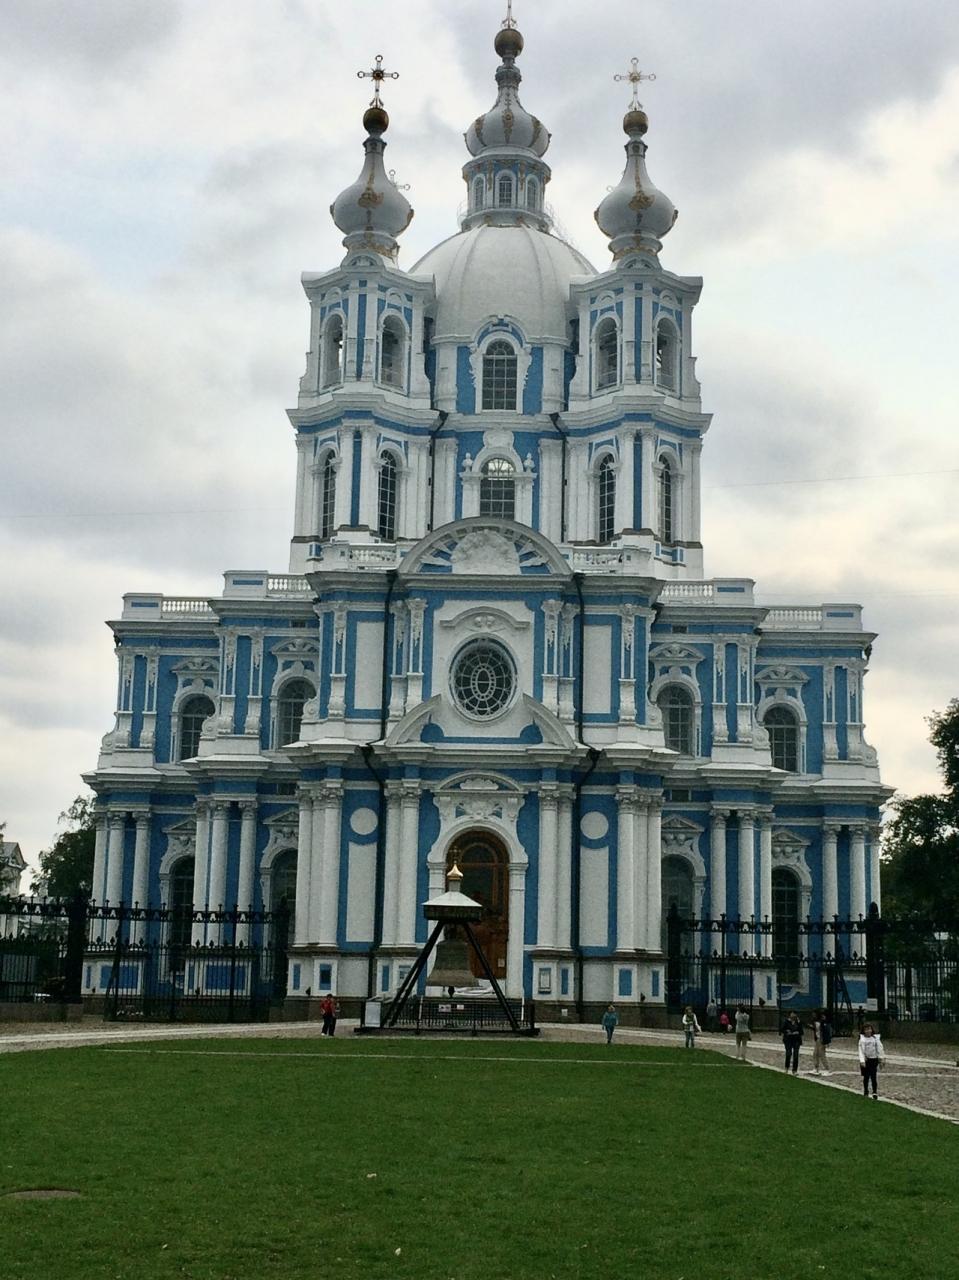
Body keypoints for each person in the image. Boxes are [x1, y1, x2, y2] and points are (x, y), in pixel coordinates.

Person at [859, 1023, 885, 1098]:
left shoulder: (875, 1039)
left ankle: (874, 1091)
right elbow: (861, 1050)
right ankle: (866, 1090)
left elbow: (879, 1049)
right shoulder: (862, 1040)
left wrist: (881, 1058)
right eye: (866, 1029)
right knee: (866, 1077)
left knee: (874, 1076)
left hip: (874, 1059)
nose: (868, 1031)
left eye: (869, 1029)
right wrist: (862, 1060)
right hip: (866, 1060)